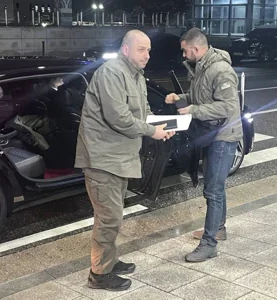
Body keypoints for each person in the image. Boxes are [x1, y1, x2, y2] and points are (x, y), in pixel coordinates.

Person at [75, 29, 175, 291]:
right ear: (126, 49)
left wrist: (160, 124)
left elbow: (143, 112)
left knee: (113, 215)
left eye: (149, 50)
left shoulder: (135, 76)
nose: (147, 55)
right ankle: (99, 274)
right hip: (103, 158)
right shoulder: (112, 73)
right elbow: (118, 117)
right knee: (108, 218)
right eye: (142, 49)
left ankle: (109, 260)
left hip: (119, 158)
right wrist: (151, 130)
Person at [165, 28, 243, 262]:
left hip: (223, 136)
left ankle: (209, 244)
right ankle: (218, 229)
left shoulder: (220, 70)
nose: (183, 55)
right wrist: (181, 98)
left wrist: (194, 110)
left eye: (185, 50)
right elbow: (200, 97)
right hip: (210, 133)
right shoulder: (200, 68)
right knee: (215, 186)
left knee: (213, 190)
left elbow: (228, 107)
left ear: (195, 49)